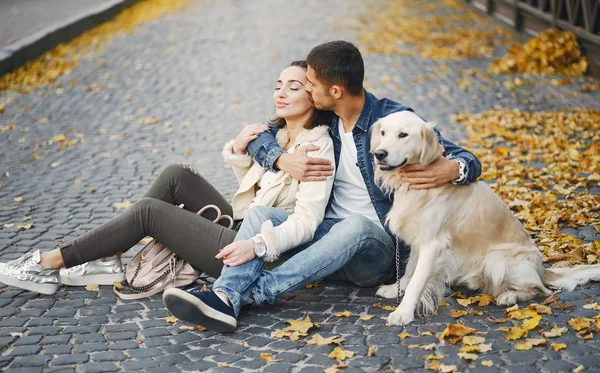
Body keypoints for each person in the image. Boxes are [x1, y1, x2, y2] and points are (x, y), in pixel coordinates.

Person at [163, 40, 482, 333]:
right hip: (327, 240)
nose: (307, 90)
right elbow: (267, 132)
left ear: (336, 91)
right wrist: (280, 159)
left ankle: (256, 292)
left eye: (311, 85)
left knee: (356, 225)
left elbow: (467, 158)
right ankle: (225, 297)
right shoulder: (326, 116)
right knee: (261, 214)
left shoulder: (391, 121)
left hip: (377, 253)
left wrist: (453, 168)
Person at [0, 60, 335, 296]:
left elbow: (305, 222)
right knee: (176, 175)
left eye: (294, 87)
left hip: (258, 253)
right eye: (278, 85)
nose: (281, 92)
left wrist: (258, 244)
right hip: (242, 225)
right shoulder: (276, 137)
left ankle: (46, 263)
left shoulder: (315, 149)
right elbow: (256, 190)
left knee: (150, 211)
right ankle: (105, 260)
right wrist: (239, 147)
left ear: (314, 96)